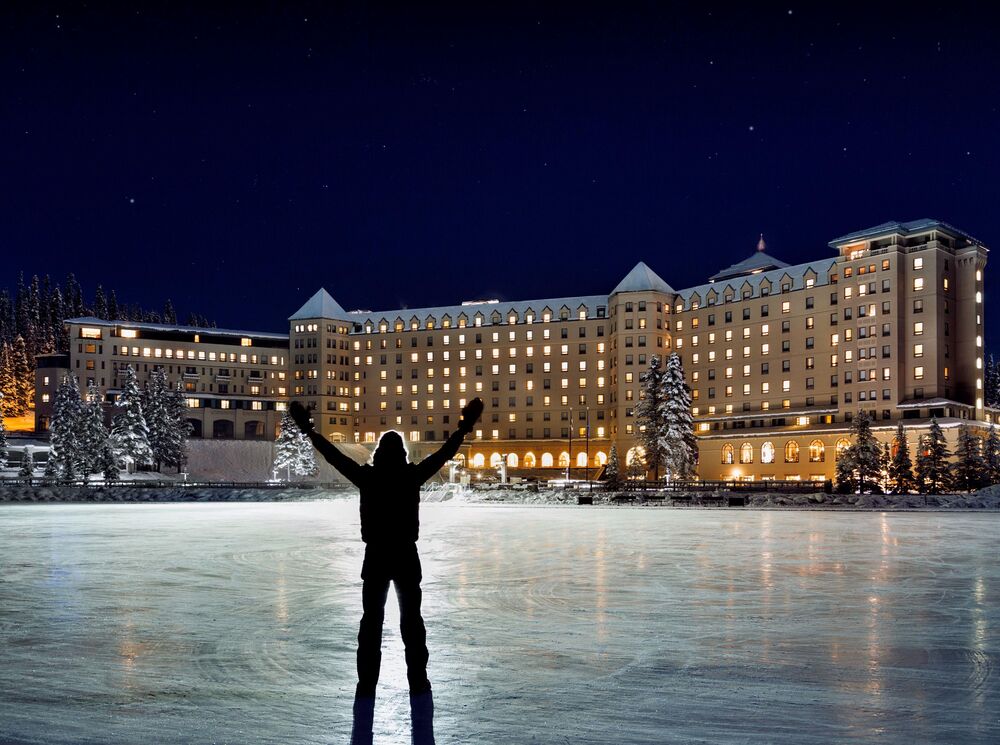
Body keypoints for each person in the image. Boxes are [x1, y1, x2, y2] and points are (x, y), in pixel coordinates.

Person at [290, 397, 484, 736]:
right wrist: (464, 428)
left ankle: (367, 683)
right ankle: (418, 682)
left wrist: (309, 430)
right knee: (412, 622)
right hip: (406, 556)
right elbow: (444, 455)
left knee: (372, 623)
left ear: (379, 452)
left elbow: (333, 456)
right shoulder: (411, 476)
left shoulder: (368, 478)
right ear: (403, 454)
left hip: (376, 555)